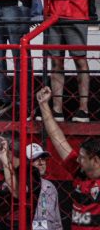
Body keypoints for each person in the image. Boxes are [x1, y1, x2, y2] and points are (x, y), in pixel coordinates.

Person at [38, 86, 100, 228]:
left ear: (95, 160)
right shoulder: (79, 170)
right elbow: (57, 138)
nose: (78, 160)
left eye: (83, 157)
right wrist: (43, 105)